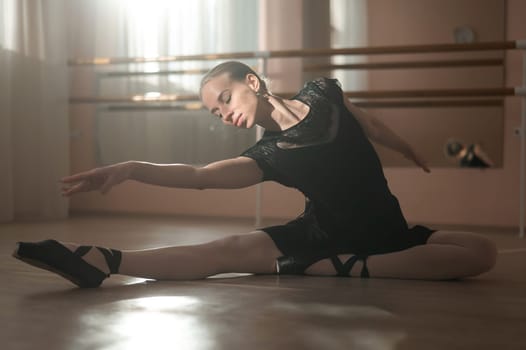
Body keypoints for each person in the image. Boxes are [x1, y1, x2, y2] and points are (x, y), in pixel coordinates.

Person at [13, 61, 497, 288]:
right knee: (228, 251)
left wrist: (405, 146)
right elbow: (201, 175)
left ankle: (330, 266)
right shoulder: (271, 154)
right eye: (214, 112)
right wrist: (132, 168)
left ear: (252, 81)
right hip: (326, 233)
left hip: (388, 231)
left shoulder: (324, 92)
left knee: (482, 251)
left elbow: (364, 120)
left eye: (223, 99)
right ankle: (107, 261)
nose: (222, 113)